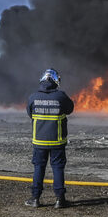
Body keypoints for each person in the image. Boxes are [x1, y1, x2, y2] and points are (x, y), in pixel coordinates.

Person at [25, 67, 74, 209]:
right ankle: (60, 200)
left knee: (38, 168)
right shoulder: (61, 96)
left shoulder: (33, 97)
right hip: (57, 141)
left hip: (39, 141)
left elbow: (30, 113)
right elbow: (70, 109)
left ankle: (35, 199)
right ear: (56, 81)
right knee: (57, 168)